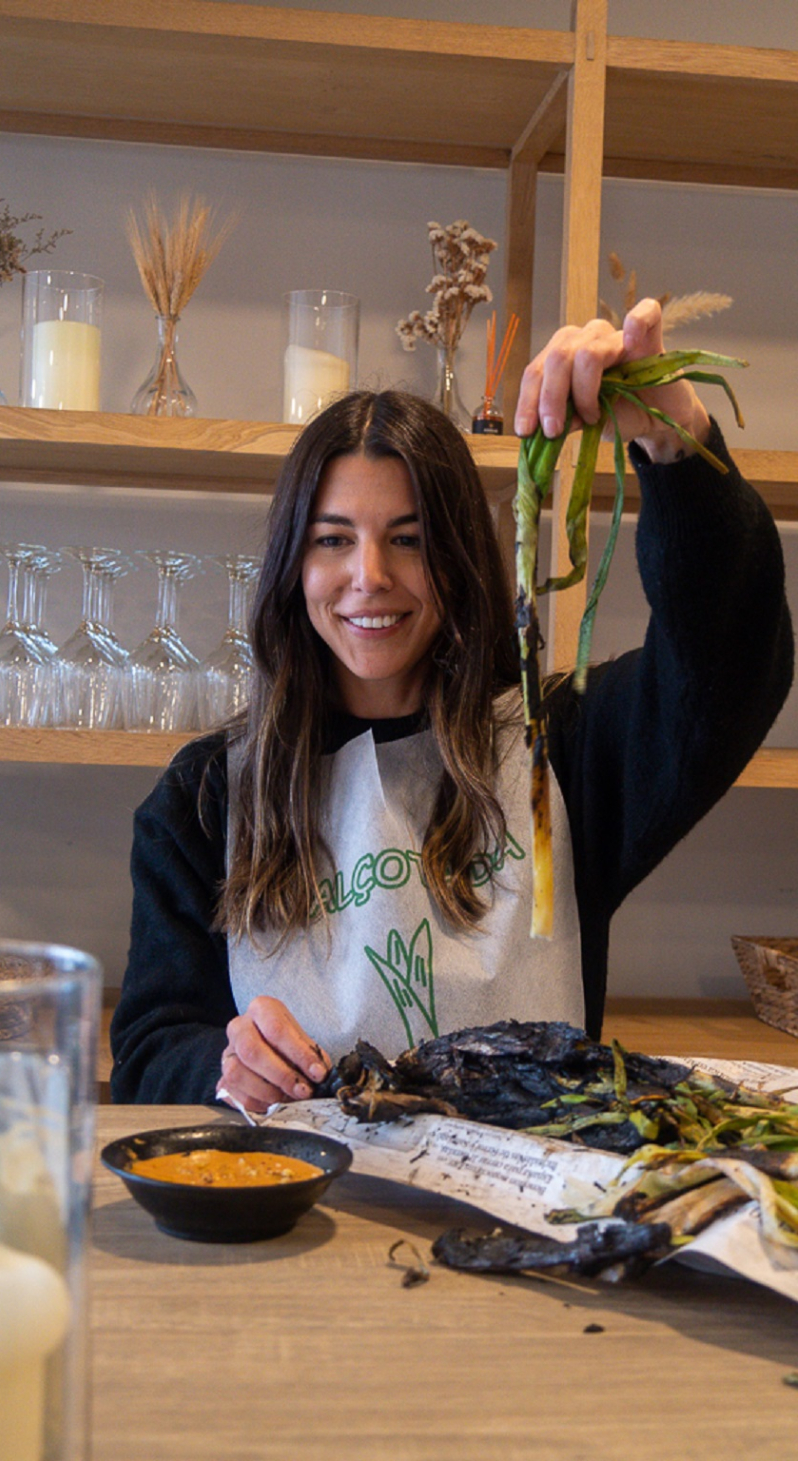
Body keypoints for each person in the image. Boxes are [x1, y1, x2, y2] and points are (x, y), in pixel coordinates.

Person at [110, 298, 793, 1109]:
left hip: (524, 1213)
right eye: (333, 538)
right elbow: (150, 1053)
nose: (370, 574)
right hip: (303, 1216)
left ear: (460, 555)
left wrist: (672, 433)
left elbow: (729, 665)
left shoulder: (556, 751)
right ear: (293, 565)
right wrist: (221, 1066)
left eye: (409, 537)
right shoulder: (205, 799)